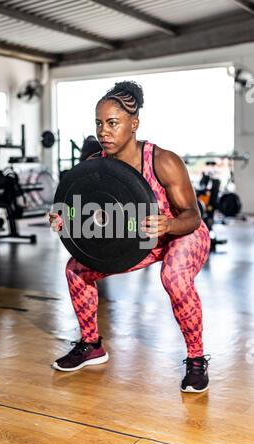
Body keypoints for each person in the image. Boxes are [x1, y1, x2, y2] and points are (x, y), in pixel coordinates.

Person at [49, 81, 211, 393]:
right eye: (99, 123)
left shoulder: (162, 160)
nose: (103, 132)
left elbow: (193, 216)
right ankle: (91, 344)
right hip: (137, 240)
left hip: (182, 233)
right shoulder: (95, 166)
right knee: (76, 269)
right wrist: (63, 218)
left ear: (133, 124)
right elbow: (80, 212)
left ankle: (196, 359)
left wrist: (168, 225)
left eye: (112, 123)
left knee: (175, 276)